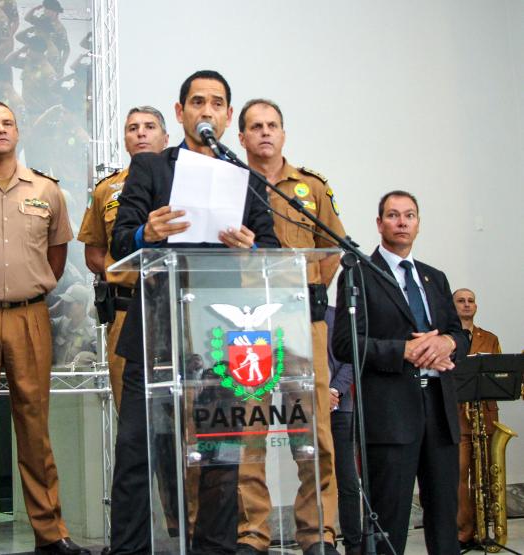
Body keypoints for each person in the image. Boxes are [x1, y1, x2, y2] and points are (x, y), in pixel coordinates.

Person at [107, 70, 279, 555]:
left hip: (219, 334)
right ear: (180, 112)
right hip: (156, 330)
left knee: (221, 456)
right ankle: (131, 549)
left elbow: (271, 249)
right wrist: (146, 234)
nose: (208, 110)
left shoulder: (246, 179)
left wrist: (251, 248)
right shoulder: (151, 169)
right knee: (139, 453)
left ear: (228, 115)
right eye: (198, 102)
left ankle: (216, 547)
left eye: (217, 103)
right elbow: (120, 243)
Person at [0, 102, 88, 555]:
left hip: (30, 315)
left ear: (17, 132)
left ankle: (50, 532)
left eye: (7, 124)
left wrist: (35, 286)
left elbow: (58, 252)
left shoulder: (47, 190)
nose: (0, 130)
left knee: (34, 424)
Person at [235, 98, 344, 555]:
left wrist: (303, 291)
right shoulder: (230, 186)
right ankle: (252, 533)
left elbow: (332, 248)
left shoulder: (312, 186)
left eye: (272, 125)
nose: (265, 133)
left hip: (303, 321)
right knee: (249, 431)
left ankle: (317, 531)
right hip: (248, 326)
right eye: (255, 126)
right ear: (240, 137)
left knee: (312, 432)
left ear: (283, 133)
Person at [332, 190, 468, 554]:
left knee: (444, 514)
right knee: (388, 520)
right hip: (390, 414)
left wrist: (447, 345)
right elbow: (344, 345)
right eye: (393, 215)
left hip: (439, 410)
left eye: (409, 215)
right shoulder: (358, 273)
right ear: (379, 224)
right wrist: (404, 351)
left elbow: (458, 333)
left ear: (418, 224)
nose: (402, 222)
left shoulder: (434, 278)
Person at [77, 105, 169, 407]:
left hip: (176, 307)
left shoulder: (185, 180)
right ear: (125, 140)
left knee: (184, 408)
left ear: (166, 138)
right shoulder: (107, 189)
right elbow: (94, 252)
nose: (141, 132)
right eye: (132, 128)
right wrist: (125, 270)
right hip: (127, 308)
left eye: (149, 126)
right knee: (129, 407)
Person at [452, 287, 503, 548]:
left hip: (485, 416)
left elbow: (500, 377)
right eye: (461, 301)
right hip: (458, 417)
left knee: (486, 476)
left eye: (471, 301)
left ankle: (487, 530)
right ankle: (464, 532)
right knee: (460, 476)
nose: (467, 304)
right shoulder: (446, 338)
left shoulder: (490, 338)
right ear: (453, 306)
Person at [325, 306, 360, 555]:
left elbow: (351, 358)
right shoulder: (289, 316)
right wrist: (316, 394)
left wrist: (334, 390)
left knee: (347, 480)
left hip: (341, 407)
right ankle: (323, 541)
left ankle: (354, 543)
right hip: (304, 411)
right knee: (316, 479)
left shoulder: (337, 316)